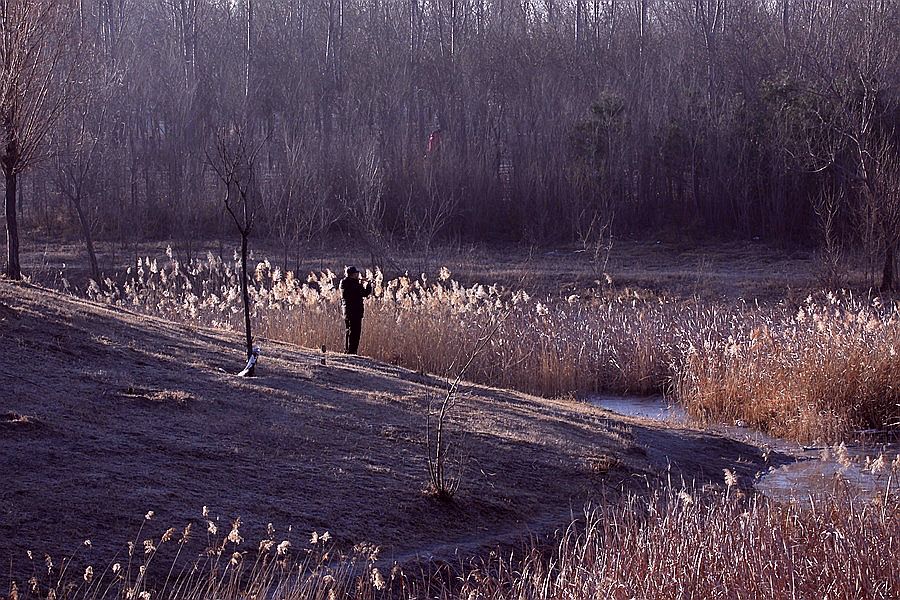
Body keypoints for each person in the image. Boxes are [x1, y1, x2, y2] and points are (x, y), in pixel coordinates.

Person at [339, 266, 372, 354]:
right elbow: (364, 293)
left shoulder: (344, 283)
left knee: (349, 331)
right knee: (355, 333)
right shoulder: (353, 284)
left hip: (347, 311)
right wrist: (367, 284)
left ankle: (347, 350)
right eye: (356, 274)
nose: (358, 275)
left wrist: (360, 282)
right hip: (355, 312)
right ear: (352, 275)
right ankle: (352, 351)